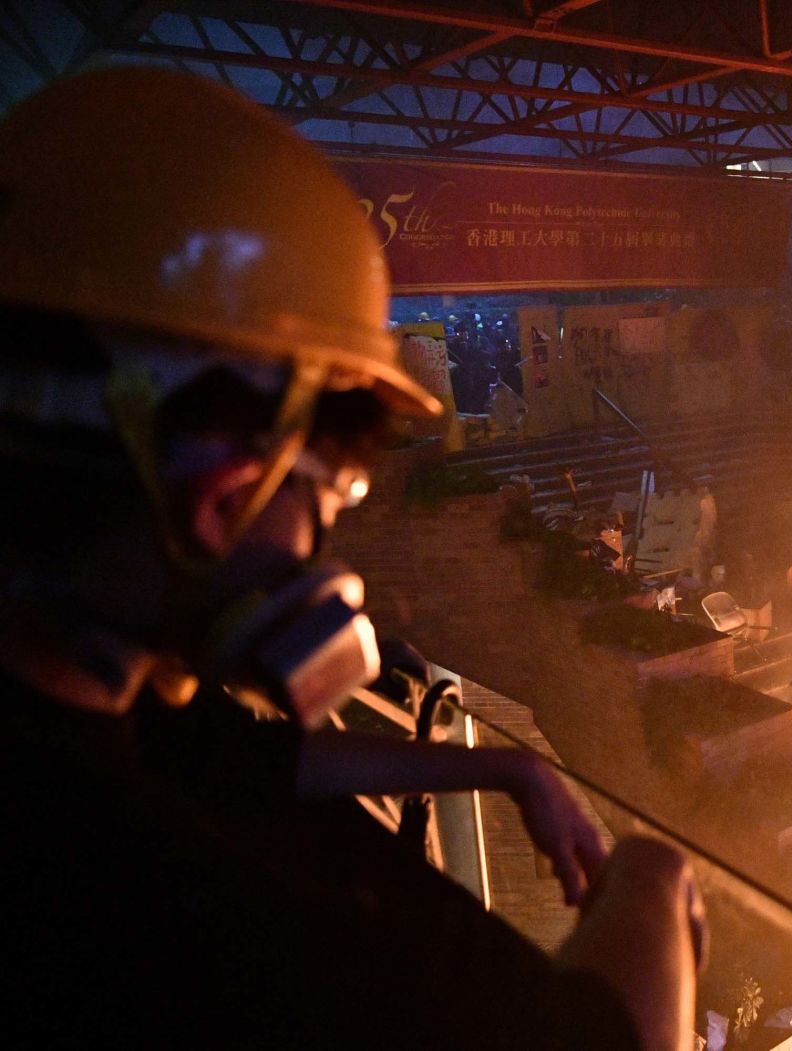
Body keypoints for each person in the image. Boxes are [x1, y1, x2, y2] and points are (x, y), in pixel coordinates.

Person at [0, 68, 701, 1049]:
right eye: (327, 499)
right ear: (221, 497)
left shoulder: (83, 707)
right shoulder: (199, 928)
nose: (318, 550)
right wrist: (658, 882)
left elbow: (234, 754)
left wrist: (506, 768)